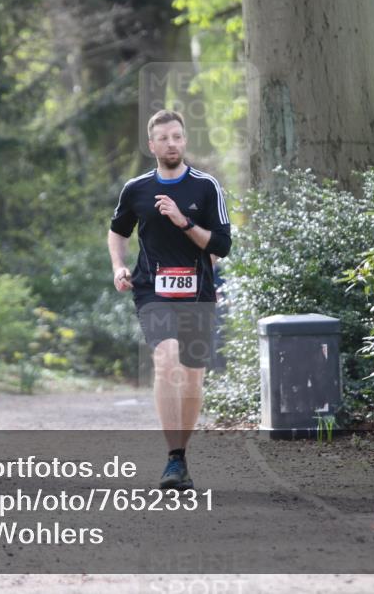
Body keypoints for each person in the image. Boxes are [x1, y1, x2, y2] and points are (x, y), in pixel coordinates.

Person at [107, 110, 231, 490]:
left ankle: (182, 454)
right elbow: (117, 231)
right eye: (164, 138)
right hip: (152, 289)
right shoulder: (137, 189)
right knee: (166, 359)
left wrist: (184, 222)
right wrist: (118, 267)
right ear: (152, 145)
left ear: (185, 140)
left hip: (198, 291)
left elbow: (222, 246)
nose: (171, 143)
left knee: (193, 377)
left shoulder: (206, 187)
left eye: (177, 136)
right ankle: (173, 458)